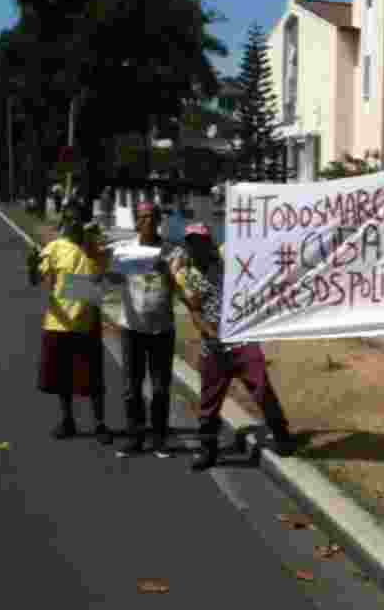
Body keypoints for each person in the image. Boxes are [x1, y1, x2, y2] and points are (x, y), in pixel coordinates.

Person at [176, 223, 296, 471]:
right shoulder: (188, 275)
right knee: (209, 402)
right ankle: (207, 450)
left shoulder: (228, 262)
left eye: (201, 242)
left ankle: (281, 434)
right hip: (214, 348)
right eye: (192, 243)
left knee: (262, 387)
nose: (197, 247)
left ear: (210, 243)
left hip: (242, 340)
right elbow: (195, 311)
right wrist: (211, 335)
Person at [28, 204, 113, 445]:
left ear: (84, 222)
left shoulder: (94, 247)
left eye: (78, 219)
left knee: (93, 379)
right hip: (58, 323)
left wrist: (95, 247)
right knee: (61, 378)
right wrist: (31, 265)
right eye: (70, 219)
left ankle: (100, 424)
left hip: (87, 322)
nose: (73, 223)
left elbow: (103, 279)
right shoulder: (54, 248)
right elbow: (36, 279)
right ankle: (68, 421)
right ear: (64, 221)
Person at [108, 202, 180, 458]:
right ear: (136, 222)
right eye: (142, 217)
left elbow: (180, 289)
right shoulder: (126, 249)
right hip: (132, 329)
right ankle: (135, 437)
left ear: (158, 220)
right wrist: (109, 268)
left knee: (160, 387)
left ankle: (159, 438)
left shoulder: (172, 251)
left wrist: (167, 273)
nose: (147, 221)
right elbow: (113, 280)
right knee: (132, 386)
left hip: (162, 329)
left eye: (151, 217)